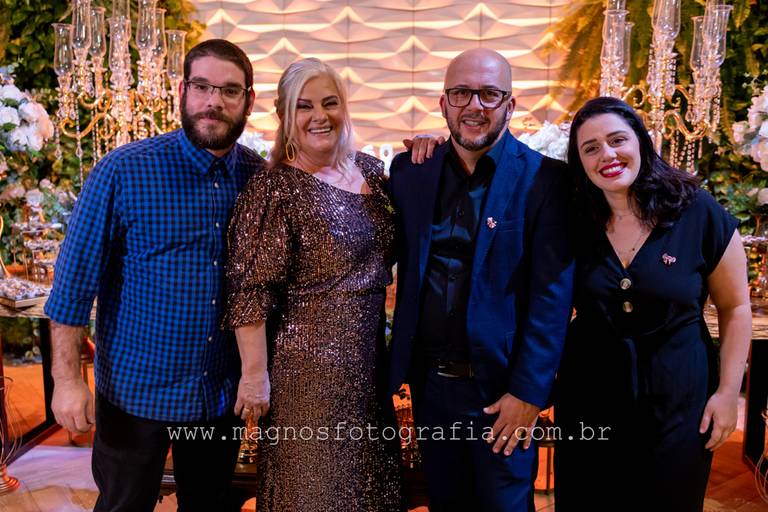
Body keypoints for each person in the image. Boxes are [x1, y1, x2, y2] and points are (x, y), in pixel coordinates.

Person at [44, 39, 263, 511]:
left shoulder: (259, 178)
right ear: (182, 91)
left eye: (229, 90)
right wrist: (67, 381)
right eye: (202, 86)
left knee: (209, 506)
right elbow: (72, 287)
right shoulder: (124, 171)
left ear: (249, 100)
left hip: (217, 396)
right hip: (135, 395)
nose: (214, 101)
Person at [387, 48, 575, 511]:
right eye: (461, 93)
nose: (474, 105)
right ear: (443, 103)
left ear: (510, 105)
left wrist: (528, 393)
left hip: (501, 392)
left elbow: (551, 298)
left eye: (490, 94)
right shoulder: (410, 172)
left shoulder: (545, 180)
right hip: (431, 390)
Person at [222, 57, 404, 511]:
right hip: (305, 380)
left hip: (369, 370)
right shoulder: (274, 188)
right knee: (314, 495)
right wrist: (254, 377)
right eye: (304, 106)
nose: (319, 116)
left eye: (330, 102)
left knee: (368, 495)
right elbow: (249, 291)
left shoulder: (372, 172)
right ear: (285, 116)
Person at [554, 97, 751, 511]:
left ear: (641, 142)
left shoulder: (697, 211)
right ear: (580, 162)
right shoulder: (571, 218)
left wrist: (728, 393)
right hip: (590, 398)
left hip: (679, 401)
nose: (607, 155)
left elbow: (735, 307)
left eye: (617, 140)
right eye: (591, 148)